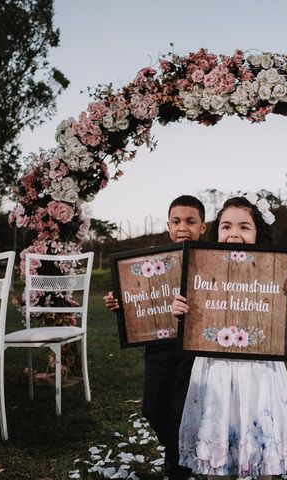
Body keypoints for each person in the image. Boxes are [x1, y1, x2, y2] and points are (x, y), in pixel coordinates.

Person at [172, 195, 287, 479]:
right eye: (226, 226)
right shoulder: (202, 268)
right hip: (215, 368)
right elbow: (193, 316)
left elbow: (281, 323)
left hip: (259, 370)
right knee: (217, 435)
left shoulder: (271, 269)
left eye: (243, 227)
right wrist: (180, 310)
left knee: (259, 436)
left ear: (257, 233)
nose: (233, 233)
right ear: (216, 231)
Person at [104, 194, 207, 480]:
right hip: (158, 345)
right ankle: (179, 451)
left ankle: (178, 469)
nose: (182, 227)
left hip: (193, 348)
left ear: (203, 227)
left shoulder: (209, 259)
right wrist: (121, 303)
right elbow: (141, 297)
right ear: (168, 225)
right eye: (176, 221)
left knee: (178, 411)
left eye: (190, 221)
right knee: (151, 408)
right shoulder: (153, 260)